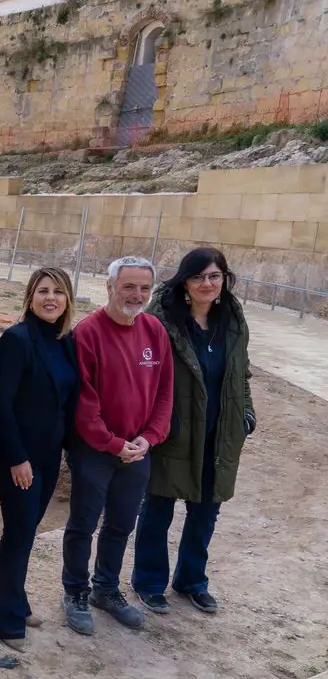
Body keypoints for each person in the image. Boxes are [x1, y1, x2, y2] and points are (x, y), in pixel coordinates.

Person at [132, 248, 255, 616]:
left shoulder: (232, 319)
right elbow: (144, 376)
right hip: (173, 432)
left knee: (205, 513)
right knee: (158, 509)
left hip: (219, 434)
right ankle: (149, 582)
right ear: (184, 281)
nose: (207, 283)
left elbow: (242, 373)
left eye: (214, 276)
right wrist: (154, 425)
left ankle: (192, 581)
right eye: (199, 276)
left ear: (224, 280)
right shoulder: (161, 320)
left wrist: (246, 414)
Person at [63, 256, 173, 636]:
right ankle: (75, 591)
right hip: (95, 450)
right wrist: (112, 443)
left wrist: (150, 437)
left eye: (144, 288)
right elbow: (84, 402)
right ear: (109, 287)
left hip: (138, 450)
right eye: (128, 286)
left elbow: (165, 392)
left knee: (122, 523)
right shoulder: (88, 333)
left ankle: (105, 589)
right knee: (83, 523)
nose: (137, 295)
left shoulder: (155, 331)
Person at [0, 268, 79, 651]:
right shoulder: (17, 339)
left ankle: (5, 597)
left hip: (48, 455)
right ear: (30, 297)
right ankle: (7, 618)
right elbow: (1, 403)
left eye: (58, 291)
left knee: (25, 531)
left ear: (68, 299)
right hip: (17, 457)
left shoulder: (65, 341)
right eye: (43, 291)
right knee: (20, 532)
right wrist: (17, 457)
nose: (50, 298)